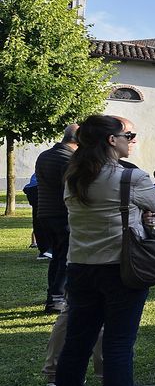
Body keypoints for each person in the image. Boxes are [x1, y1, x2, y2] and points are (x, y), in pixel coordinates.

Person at [55, 115, 155, 386]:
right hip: (120, 267)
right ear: (111, 140)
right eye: (127, 135)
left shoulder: (74, 176)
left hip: (80, 265)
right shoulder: (131, 177)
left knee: (77, 343)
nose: (130, 140)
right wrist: (141, 214)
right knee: (118, 345)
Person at [34, 125, 79, 313]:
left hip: (45, 214)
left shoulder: (44, 155)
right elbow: (72, 189)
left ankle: (53, 297)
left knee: (57, 257)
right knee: (65, 258)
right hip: (62, 214)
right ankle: (57, 299)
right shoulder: (68, 159)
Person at [24, 174, 49, 257]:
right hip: (43, 189)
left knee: (38, 221)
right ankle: (47, 249)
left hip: (34, 190)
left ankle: (44, 250)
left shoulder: (37, 172)